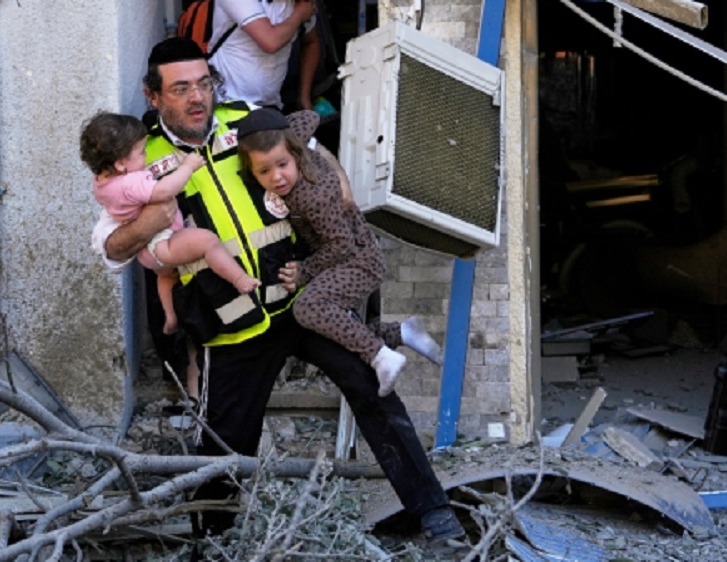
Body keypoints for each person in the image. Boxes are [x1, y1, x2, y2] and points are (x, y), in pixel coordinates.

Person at [91, 37, 465, 547]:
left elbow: (309, 150)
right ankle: (214, 542)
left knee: (372, 388)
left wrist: (335, 181)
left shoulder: (245, 118)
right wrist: (152, 221)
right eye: (181, 89)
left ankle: (435, 515)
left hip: (302, 298)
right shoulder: (139, 157)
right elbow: (111, 248)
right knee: (224, 444)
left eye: (204, 83)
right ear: (153, 96)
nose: (198, 97)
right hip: (231, 325)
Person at [236, 107, 443, 397]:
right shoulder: (288, 135)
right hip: (346, 256)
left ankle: (381, 356)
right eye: (264, 171)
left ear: (295, 154)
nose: (277, 177)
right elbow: (308, 116)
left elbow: (340, 244)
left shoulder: (313, 195)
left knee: (309, 308)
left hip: (358, 261)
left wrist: (305, 271)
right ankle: (404, 333)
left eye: (282, 164)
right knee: (340, 326)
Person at [80, 110, 261, 336]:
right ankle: (240, 278)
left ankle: (170, 316)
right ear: (120, 164)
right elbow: (164, 190)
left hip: (148, 253)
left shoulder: (101, 183)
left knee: (167, 276)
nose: (146, 156)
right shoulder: (131, 182)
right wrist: (188, 166)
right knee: (207, 241)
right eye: (141, 152)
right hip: (161, 242)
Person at [209, 0, 318, 111]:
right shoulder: (301, 10)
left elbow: (311, 43)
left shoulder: (299, 4)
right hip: (225, 102)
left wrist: (304, 96)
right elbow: (270, 42)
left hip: (268, 105)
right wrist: (299, 15)